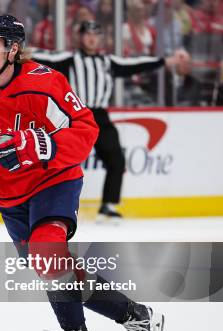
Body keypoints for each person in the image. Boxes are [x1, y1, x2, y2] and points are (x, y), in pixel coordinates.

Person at [0, 14, 165, 331]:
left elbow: (84, 130)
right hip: (9, 193)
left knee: (46, 250)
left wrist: (41, 143)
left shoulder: (44, 82)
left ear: (13, 50)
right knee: (52, 267)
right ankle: (135, 315)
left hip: (53, 179)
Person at [32, 20, 189, 220]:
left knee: (116, 160)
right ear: (79, 37)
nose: (91, 38)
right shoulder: (69, 59)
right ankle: (51, 207)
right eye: (87, 33)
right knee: (63, 163)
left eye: (95, 34)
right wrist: (10, 50)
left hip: (100, 117)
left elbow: (136, 63)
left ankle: (108, 206)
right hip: (74, 116)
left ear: (100, 39)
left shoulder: (108, 62)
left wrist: (167, 61)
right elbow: (41, 56)